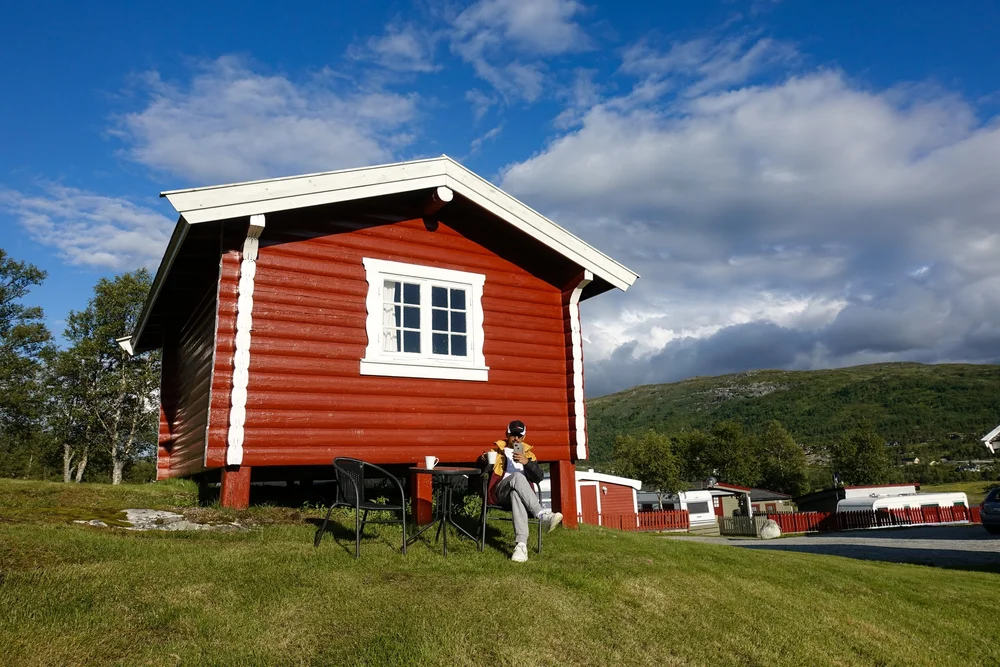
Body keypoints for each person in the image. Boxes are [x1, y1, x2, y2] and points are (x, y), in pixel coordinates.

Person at [482, 420, 563, 562]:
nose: (516, 439)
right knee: (517, 477)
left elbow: (538, 477)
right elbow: (482, 469)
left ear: (524, 437)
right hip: (500, 492)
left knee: (516, 494)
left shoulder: (529, 455)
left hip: (519, 496)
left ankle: (521, 546)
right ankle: (542, 515)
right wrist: (483, 460)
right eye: (513, 435)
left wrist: (527, 463)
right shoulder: (497, 451)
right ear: (507, 434)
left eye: (519, 436)